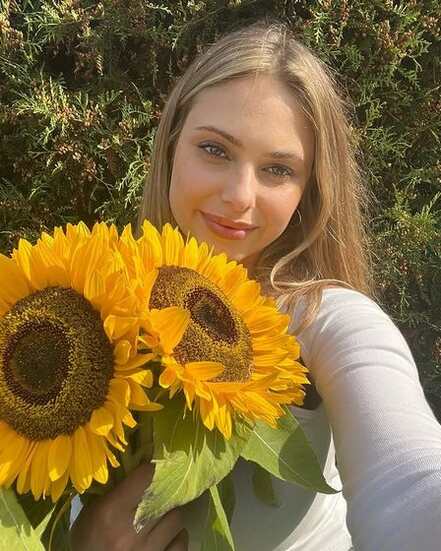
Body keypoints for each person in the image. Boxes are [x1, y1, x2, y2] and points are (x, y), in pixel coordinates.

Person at [70, 20, 441, 551]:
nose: (240, 195)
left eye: (277, 170)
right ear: (172, 146)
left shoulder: (324, 321)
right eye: (215, 150)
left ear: (308, 190)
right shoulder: (92, 294)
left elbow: (408, 481)